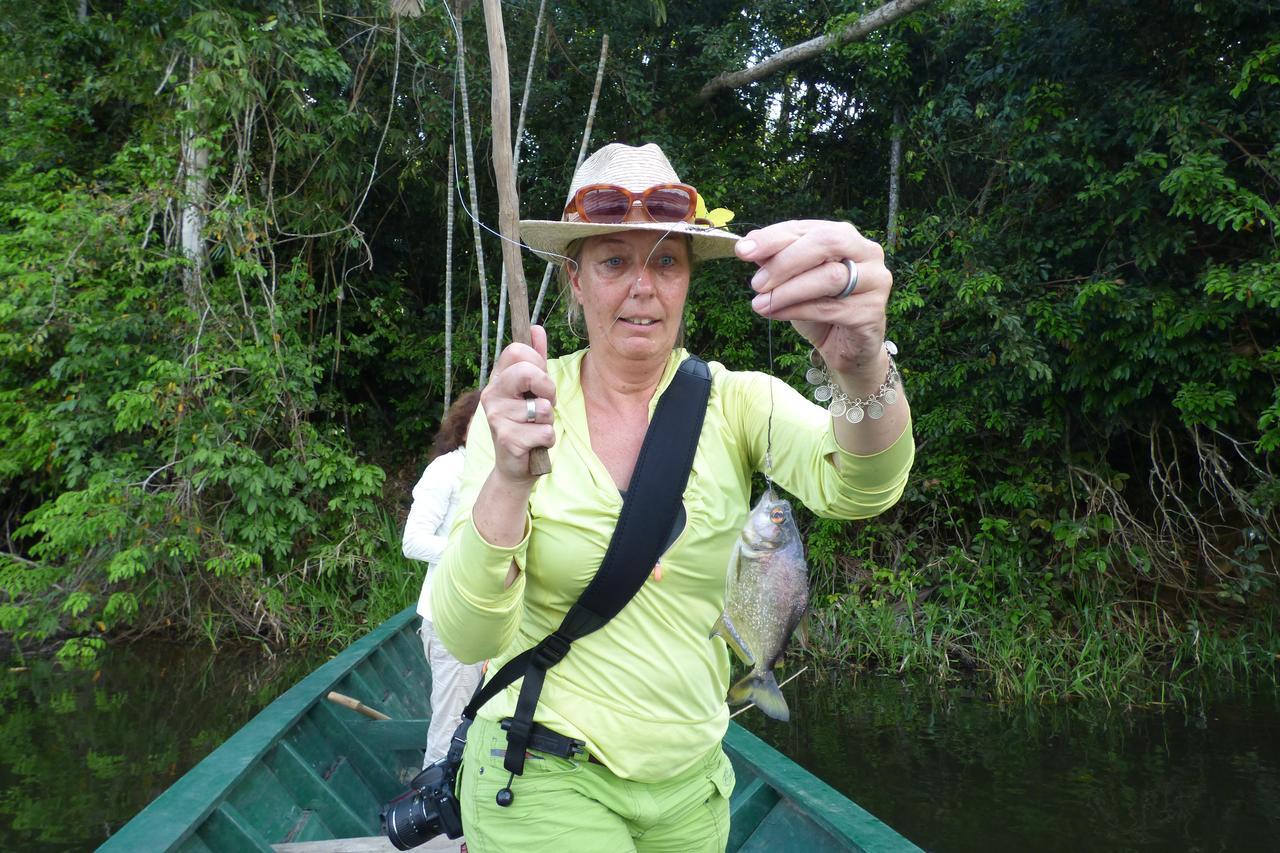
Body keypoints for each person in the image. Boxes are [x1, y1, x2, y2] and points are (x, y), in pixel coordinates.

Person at [432, 143, 914, 852]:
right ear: (574, 279)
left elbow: (864, 485)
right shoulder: (522, 410)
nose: (642, 286)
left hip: (693, 788)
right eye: (614, 261)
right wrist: (508, 475)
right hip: (539, 770)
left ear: (688, 279)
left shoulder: (738, 402)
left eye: (665, 261)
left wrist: (862, 360)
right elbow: (467, 637)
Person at [402, 388, 485, 767]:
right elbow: (413, 542)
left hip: (492, 621)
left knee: (484, 722)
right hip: (451, 622)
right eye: (482, 421)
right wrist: (469, 556)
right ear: (465, 430)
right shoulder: (447, 469)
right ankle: (436, 819)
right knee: (451, 725)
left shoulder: (503, 472)